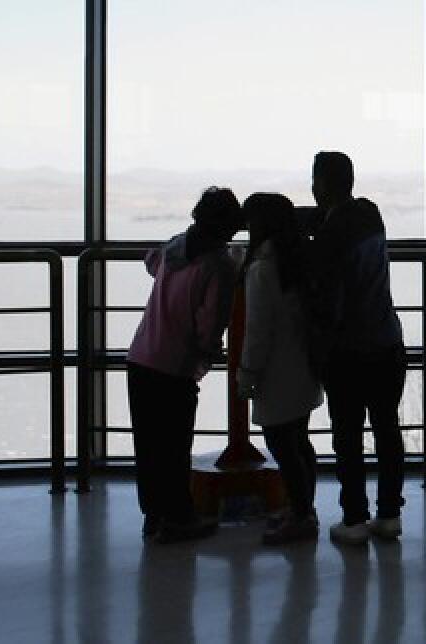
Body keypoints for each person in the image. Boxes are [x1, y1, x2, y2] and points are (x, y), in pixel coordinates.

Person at [127, 186, 243, 543]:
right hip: (175, 367)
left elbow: (152, 262)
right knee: (175, 446)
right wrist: (209, 353)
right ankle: (179, 517)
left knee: (148, 446)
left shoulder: (175, 246)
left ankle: (154, 515)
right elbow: (210, 324)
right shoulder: (220, 266)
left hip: (140, 356)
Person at [305, 151, 407, 545]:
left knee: (347, 435)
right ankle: (389, 514)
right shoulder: (370, 214)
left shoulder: (329, 238)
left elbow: (329, 301)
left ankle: (354, 518)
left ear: (322, 185)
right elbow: (328, 217)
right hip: (387, 341)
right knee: (386, 429)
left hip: (348, 351)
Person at [237, 193, 324, 545]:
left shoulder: (262, 269)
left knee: (280, 442)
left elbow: (257, 330)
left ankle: (300, 514)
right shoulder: (299, 261)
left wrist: (247, 372)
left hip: (276, 372)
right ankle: (304, 509)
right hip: (304, 367)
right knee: (299, 441)